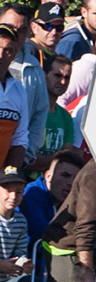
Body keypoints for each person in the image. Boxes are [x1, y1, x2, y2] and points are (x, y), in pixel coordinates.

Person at [2, 2, 47, 164]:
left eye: (21, 31)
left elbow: (39, 117)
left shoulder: (34, 68)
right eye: (8, 27)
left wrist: (25, 158)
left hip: (16, 162)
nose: (14, 34)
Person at [21, 146, 81, 245]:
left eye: (75, 180)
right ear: (48, 176)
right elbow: (43, 234)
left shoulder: (68, 200)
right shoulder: (32, 193)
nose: (70, 183)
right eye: (65, 175)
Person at [24, 53, 72, 176]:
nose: (63, 82)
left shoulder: (66, 117)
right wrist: (55, 159)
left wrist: (45, 160)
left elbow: (67, 159)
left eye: (67, 77)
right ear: (44, 75)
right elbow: (25, 158)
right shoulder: (30, 109)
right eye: (57, 75)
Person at [0, 165, 32, 282]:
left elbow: (19, 252)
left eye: (18, 192)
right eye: (8, 191)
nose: (13, 197)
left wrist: (24, 263)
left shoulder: (21, 221)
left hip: (6, 281)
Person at [0, 23, 29, 169]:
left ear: (15, 53)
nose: (0, 55)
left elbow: (20, 138)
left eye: (7, 50)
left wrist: (9, 178)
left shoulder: (18, 89)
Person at [27, 3, 64, 74]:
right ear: (34, 27)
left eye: (59, 27)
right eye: (48, 26)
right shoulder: (28, 51)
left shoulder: (53, 56)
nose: (54, 32)